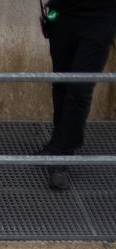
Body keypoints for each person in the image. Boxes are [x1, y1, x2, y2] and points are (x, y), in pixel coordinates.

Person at [39, 1, 116, 190]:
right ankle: (58, 140)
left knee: (80, 89)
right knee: (61, 83)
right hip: (62, 12)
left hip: (100, 17)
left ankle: (63, 155)